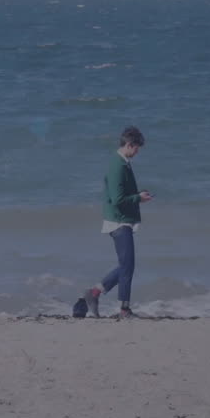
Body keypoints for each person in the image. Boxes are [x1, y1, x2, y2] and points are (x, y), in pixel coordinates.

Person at [81, 126, 153, 319]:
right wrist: (139, 198)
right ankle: (124, 309)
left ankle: (94, 293)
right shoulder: (117, 166)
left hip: (123, 220)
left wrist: (138, 196)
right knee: (128, 265)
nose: (138, 152)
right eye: (137, 148)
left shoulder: (123, 163)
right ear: (129, 145)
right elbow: (117, 199)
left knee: (126, 265)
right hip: (118, 221)